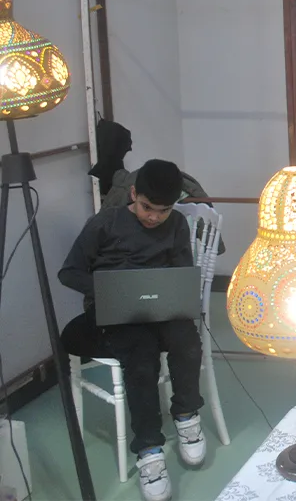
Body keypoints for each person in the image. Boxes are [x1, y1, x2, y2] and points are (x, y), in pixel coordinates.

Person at [58, 159, 205, 501]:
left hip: (161, 309)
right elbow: (69, 272)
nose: (153, 217)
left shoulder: (177, 225)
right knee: (141, 355)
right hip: (117, 313)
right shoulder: (105, 223)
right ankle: (150, 450)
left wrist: (173, 295)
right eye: (147, 207)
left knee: (187, 339)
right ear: (134, 193)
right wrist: (106, 289)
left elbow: (181, 273)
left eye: (163, 210)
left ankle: (186, 414)